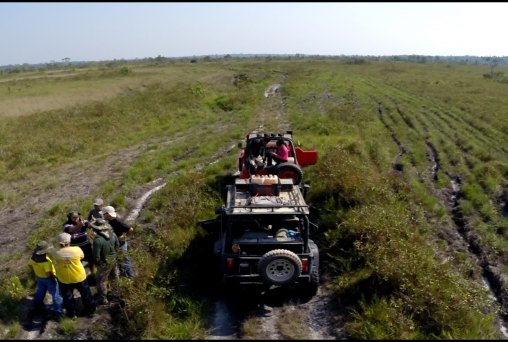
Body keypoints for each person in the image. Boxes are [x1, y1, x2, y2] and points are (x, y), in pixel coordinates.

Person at [52, 232, 96, 319]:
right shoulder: (77, 249)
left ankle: (72, 314)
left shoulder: (55, 252)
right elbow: (82, 257)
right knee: (86, 294)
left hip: (64, 278)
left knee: (68, 297)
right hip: (78, 276)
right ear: (69, 241)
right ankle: (90, 311)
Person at [28, 240, 63, 319]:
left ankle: (37, 307)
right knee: (56, 294)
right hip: (49, 279)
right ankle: (58, 312)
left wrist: (35, 271)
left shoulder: (33, 258)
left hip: (40, 278)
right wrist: (53, 277)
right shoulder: (46, 261)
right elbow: (48, 273)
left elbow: (29, 265)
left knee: (40, 293)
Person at [91, 218, 120, 305]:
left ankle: (103, 299)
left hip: (104, 263)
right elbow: (117, 246)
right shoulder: (113, 235)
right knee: (115, 277)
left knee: (101, 281)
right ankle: (116, 294)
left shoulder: (97, 240)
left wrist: (98, 263)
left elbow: (96, 256)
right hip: (114, 259)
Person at [102, 205, 134, 279]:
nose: (103, 215)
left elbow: (130, 229)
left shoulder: (118, 221)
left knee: (125, 259)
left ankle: (130, 277)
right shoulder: (110, 219)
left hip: (121, 244)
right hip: (116, 243)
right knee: (120, 259)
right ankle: (123, 273)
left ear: (108, 214)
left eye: (104, 214)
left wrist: (125, 237)